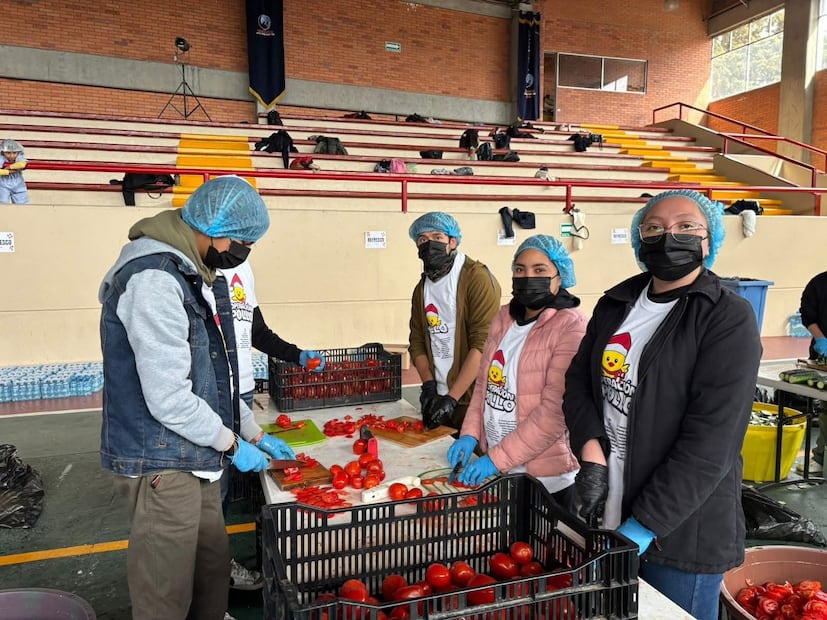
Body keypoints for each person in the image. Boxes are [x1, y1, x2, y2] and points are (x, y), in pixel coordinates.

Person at [99, 176, 296, 620]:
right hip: (163, 463)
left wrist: (253, 433)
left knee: (209, 568)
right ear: (215, 228)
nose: (243, 252)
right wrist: (232, 445)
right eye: (244, 242)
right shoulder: (154, 278)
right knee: (164, 592)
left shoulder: (194, 272)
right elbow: (168, 397)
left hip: (198, 456)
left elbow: (213, 376)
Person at [562, 189, 762, 620]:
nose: (668, 236)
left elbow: (712, 441)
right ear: (639, 241)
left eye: (687, 226)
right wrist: (592, 454)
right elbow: (578, 382)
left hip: (680, 530)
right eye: (654, 227)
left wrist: (645, 524)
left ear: (709, 241)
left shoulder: (726, 316)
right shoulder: (616, 303)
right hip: (609, 505)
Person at [447, 235, 586, 507]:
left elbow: (554, 415)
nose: (527, 277)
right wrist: (470, 434)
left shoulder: (572, 327)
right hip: (503, 466)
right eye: (520, 269)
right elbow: (484, 387)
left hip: (546, 478)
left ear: (560, 276)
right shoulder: (504, 317)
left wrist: (495, 459)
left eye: (540, 270)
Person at [218, 253, 326, 592]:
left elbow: (257, 331)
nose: (246, 244)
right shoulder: (200, 268)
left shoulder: (242, 269)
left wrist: (296, 354)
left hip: (242, 391)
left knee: (221, 489)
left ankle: (218, 568)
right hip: (217, 391)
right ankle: (213, 574)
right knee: (210, 493)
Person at [408, 211, 502, 430]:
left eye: (437, 237)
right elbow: (418, 339)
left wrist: (452, 398)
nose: (429, 244)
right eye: (422, 239)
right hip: (439, 392)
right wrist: (429, 384)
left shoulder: (476, 278)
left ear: (453, 241)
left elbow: (483, 343)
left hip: (471, 397)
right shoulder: (421, 288)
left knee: (472, 456)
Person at [797, 270, 827, 475]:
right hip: (823, 357)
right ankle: (820, 457)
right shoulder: (819, 284)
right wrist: (821, 340)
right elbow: (808, 316)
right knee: (826, 408)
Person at [0, 139, 29, 204]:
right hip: (2, 183)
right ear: (3, 152)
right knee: (2, 202)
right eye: (8, 153)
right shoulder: (1, 157)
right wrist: (8, 172)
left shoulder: (19, 156)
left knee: (22, 203)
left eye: (14, 153)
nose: (11, 155)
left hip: (18, 183)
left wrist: (10, 167)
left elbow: (22, 164)